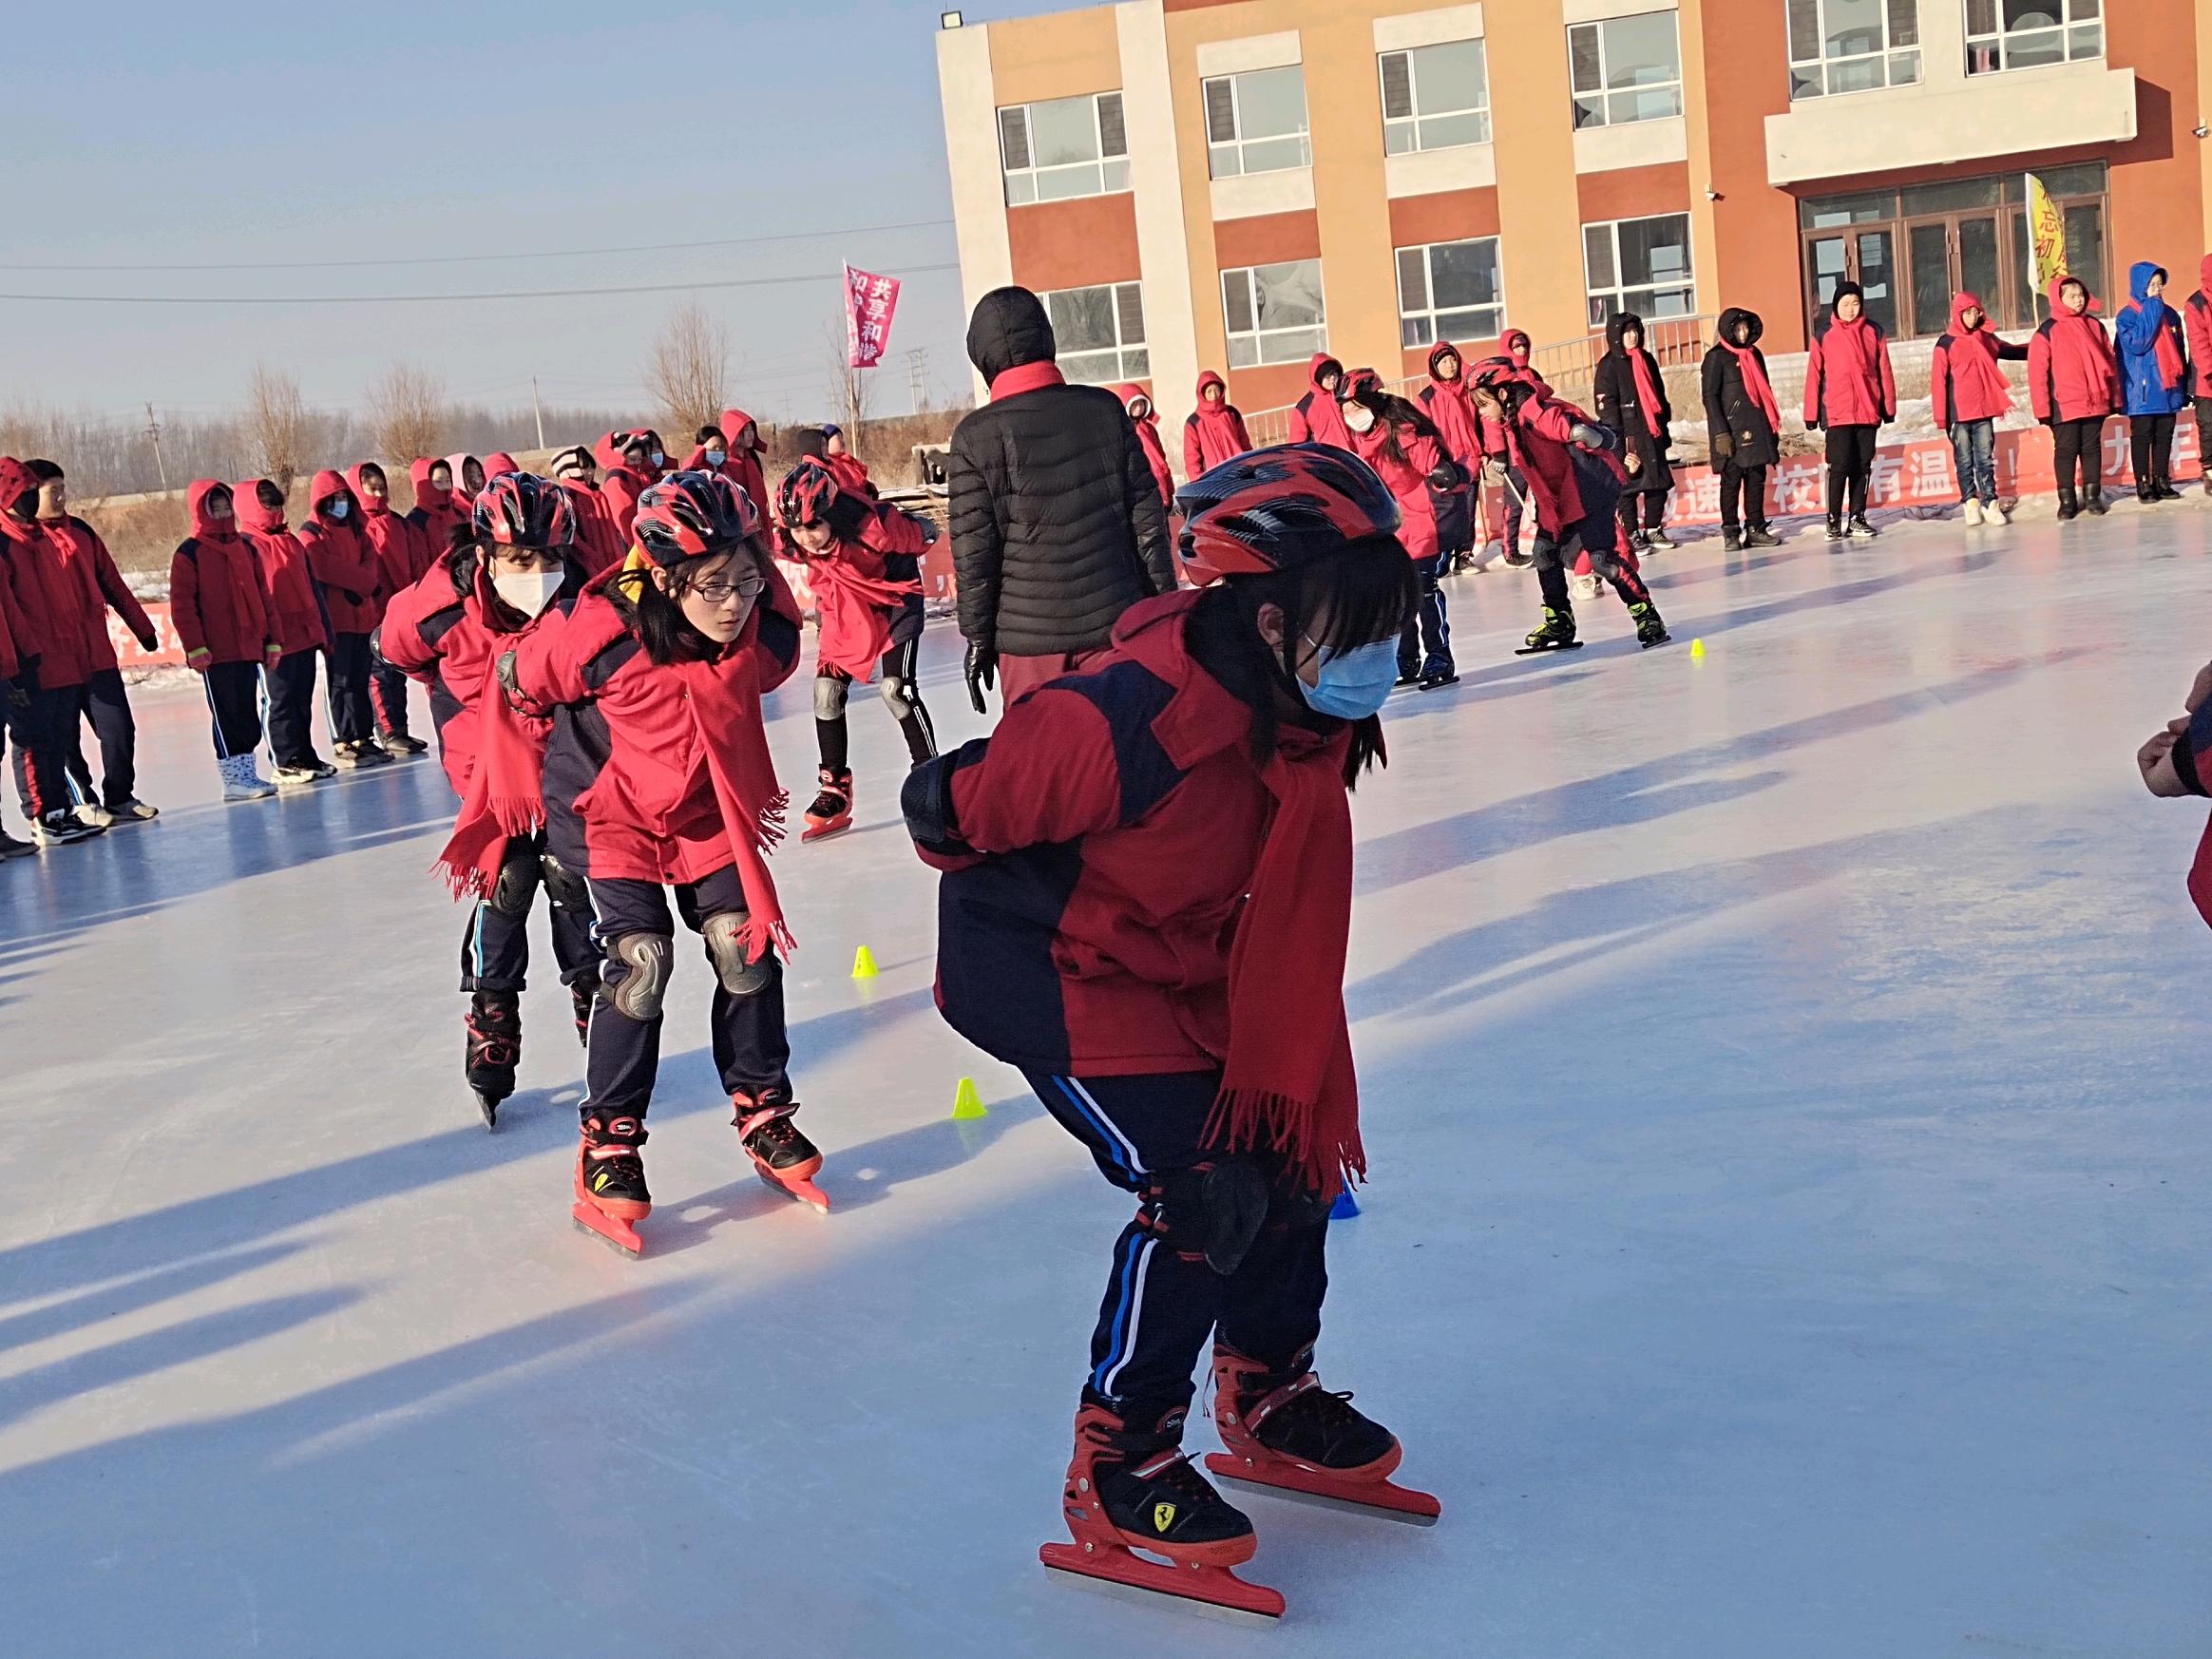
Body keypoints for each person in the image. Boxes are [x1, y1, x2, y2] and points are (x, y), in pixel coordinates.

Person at [901, 445, 1437, 1617]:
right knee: (1204, 1192)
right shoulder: (1118, 722)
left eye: (1386, 624)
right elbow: (961, 817)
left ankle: (1267, 1389)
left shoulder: (1300, 710)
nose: (1378, 658)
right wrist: (940, 796)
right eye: (1351, 627)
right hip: (1056, 974)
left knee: (1288, 1157)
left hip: (1194, 967)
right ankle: (1119, 1459)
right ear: (1258, 616)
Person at [500, 471, 821, 1252]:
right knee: (641, 962)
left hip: (707, 813)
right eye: (713, 587)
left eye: (746, 580)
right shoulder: (595, 632)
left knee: (742, 944)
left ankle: (764, 1109)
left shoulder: (764, 634)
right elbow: (516, 680)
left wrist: (751, 566)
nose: (735, 603)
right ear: (666, 580)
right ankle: (608, 1145)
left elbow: (775, 611)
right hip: (617, 818)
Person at [378, 473, 600, 1127]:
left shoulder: (578, 602)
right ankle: (492, 1010)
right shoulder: (441, 604)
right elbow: (398, 650)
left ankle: (595, 992)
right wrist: (458, 707)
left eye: (550, 560)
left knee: (570, 873)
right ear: (486, 554)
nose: (536, 574)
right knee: (505, 875)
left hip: (564, 754)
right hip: (485, 765)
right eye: (520, 561)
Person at [946, 286, 1175, 711]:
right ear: (1046, 337)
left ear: (981, 355)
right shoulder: (1107, 411)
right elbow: (1148, 528)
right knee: (1127, 758)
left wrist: (978, 638)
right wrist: (1162, 609)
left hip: (1030, 650)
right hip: (1116, 627)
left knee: (1047, 769)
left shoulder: (973, 438)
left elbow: (974, 557)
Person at [775, 458, 935, 842]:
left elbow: (925, 533)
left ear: (832, 513)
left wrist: (911, 529)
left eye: (813, 526)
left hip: (894, 604)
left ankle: (930, 772)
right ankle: (834, 788)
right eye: (797, 529)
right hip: (842, 609)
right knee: (826, 692)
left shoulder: (873, 527)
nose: (806, 537)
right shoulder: (792, 543)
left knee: (896, 690)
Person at [1471, 362, 1670, 652]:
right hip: (1557, 500)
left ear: (1502, 395)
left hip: (1587, 492)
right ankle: (1560, 621)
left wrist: (1582, 433)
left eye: (1483, 404)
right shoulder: (1512, 421)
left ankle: (1646, 615)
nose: (1481, 412)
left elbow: (1559, 422)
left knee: (1603, 559)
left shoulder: (1532, 411)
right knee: (1544, 554)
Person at [23, 460, 160, 824]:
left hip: (96, 653)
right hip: (55, 660)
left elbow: (112, 582)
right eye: (53, 491)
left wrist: (142, 628)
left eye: (63, 488)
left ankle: (120, 795)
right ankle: (83, 800)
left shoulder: (81, 531)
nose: (62, 496)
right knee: (64, 738)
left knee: (118, 728)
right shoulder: (24, 540)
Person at [0, 458, 101, 845]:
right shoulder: (6, 543)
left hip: (57, 656)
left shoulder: (41, 539)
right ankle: (41, 814)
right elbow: (11, 610)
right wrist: (21, 658)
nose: (29, 500)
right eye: (23, 494)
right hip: (24, 661)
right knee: (31, 739)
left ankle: (59, 810)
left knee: (58, 736)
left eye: (32, 492)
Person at [1340, 369, 1459, 689]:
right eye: (1346, 411)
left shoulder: (1403, 431)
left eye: (1355, 408)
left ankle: (1439, 656)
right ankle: (1407, 659)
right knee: (1397, 594)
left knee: (1423, 587)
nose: (1351, 417)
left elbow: (1428, 455)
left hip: (1426, 519)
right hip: (1395, 525)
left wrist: (1439, 469)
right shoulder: (1365, 439)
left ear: (1371, 403)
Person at [169, 480, 282, 802]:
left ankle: (247, 772)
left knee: (247, 713)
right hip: (216, 652)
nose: (221, 513)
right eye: (213, 508)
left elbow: (263, 596)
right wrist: (196, 647)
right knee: (226, 714)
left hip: (248, 646)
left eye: (224, 507)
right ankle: (232, 777)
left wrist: (272, 639)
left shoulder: (244, 547)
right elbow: (183, 605)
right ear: (200, 511)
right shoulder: (190, 553)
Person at [236, 476, 336, 786]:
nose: (274, 508)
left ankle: (304, 753)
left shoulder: (291, 541)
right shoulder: (247, 545)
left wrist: (323, 630)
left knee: (301, 698)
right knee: (280, 701)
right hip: (275, 638)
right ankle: (284, 759)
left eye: (276, 502)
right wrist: (262, 637)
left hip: (303, 633)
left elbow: (312, 588)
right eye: (267, 503)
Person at [296, 468, 390, 767]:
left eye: (342, 497)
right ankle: (343, 739)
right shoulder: (311, 532)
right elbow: (322, 565)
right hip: (335, 618)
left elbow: (370, 558)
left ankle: (364, 736)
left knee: (360, 678)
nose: (339, 503)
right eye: (333, 498)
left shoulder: (357, 528)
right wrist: (359, 583)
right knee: (341, 680)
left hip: (361, 614)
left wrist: (365, 585)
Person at [1802, 280, 1897, 543]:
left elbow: (1884, 371)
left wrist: (1888, 407)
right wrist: (1811, 413)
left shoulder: (1874, 331)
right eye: (1845, 304)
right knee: (1840, 465)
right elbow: (1814, 376)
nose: (1850, 309)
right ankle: (1833, 519)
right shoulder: (1824, 334)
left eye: (1855, 303)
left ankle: (1857, 516)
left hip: (1867, 410)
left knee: (1863, 466)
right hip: (1837, 413)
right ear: (1835, 306)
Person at [351, 462, 433, 755]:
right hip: (374, 611)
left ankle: (400, 728)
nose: (378, 494)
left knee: (397, 672)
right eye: (371, 489)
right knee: (381, 673)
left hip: (400, 609)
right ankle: (387, 730)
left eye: (381, 488)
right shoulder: (357, 526)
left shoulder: (398, 523)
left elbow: (417, 562)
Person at [1930, 293, 2029, 526]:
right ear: (1958, 314)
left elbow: (2011, 351)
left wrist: (2043, 347)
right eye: (1967, 313)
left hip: (1983, 410)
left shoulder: (1986, 339)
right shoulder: (1946, 344)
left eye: (1976, 312)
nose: (1973, 317)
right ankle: (1970, 502)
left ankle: (1990, 502)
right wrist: (1942, 418)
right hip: (1958, 414)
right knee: (1964, 460)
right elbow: (1938, 383)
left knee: (1984, 459)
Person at [2029, 274, 2122, 521]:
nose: (2078, 300)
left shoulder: (2094, 325)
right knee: (2066, 450)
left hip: (2096, 399)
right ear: (2058, 299)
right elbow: (2037, 374)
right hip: (2064, 403)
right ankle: (2067, 500)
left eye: (2080, 295)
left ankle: (2092, 495)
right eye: (2072, 296)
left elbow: (2110, 361)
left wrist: (2115, 396)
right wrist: (2042, 409)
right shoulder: (2047, 331)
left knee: (2091, 448)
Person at [1701, 309, 1784, 553]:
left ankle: (1756, 528)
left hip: (1756, 425)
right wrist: (1720, 433)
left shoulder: (1754, 354)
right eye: (1737, 329)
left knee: (1756, 479)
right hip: (1731, 431)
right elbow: (1710, 397)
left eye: (1746, 328)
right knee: (1731, 481)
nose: (1743, 332)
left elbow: (1764, 391)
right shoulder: (1716, 358)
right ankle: (1730, 531)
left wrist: (1770, 427)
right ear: (1727, 331)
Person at [1593, 313, 1677, 553]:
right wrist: (1617, 447)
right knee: (1628, 487)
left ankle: (1653, 529)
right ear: (1616, 336)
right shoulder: (1608, 366)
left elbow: (1659, 396)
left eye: (1635, 331)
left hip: (1652, 431)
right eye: (1627, 332)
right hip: (1627, 436)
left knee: (1657, 483)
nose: (1633, 336)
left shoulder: (1647, 359)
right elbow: (1606, 408)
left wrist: (1664, 428)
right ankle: (1631, 534)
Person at [2115, 261, 2191, 505]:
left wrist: (2183, 385)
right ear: (2140, 286)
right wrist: (2151, 307)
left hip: (2168, 387)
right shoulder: (2127, 316)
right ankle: (2144, 482)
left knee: (2165, 434)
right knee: (2143, 436)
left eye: (2160, 285)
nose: (2157, 289)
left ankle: (2162, 479)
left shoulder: (2169, 314)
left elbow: (2180, 350)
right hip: (2143, 389)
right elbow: (2139, 343)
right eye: (2152, 285)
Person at [1418, 343, 1491, 574]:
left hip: (1469, 460)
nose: (1449, 366)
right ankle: (1443, 558)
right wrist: (1433, 462)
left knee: (1468, 510)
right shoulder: (1426, 398)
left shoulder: (1470, 390)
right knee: (1446, 513)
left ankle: (1464, 556)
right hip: (1443, 465)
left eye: (1452, 360)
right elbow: (1422, 434)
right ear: (1434, 367)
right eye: (1443, 362)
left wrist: (1486, 450)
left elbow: (1483, 422)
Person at [547, 447, 623, 575]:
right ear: (568, 470)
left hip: (612, 561)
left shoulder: (597, 495)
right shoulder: (568, 498)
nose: (589, 472)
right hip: (588, 568)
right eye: (583, 468)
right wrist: (593, 561)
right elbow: (573, 540)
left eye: (590, 467)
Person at [1118, 385, 1175, 513]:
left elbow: (1162, 458)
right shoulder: (1125, 431)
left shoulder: (1150, 429)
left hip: (1161, 483)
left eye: (1141, 404)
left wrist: (1170, 489)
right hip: (1144, 490)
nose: (1138, 408)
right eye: (1134, 404)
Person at [2183, 257, 2212, 499]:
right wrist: (2210, 372)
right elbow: (2199, 342)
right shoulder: (2196, 303)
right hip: (2208, 380)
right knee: (2210, 428)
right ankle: (2211, 473)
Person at [1184, 372, 1251, 478]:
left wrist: (1251, 464)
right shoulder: (1194, 422)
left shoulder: (1232, 413)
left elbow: (1245, 444)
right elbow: (1192, 459)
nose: (1214, 395)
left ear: (1222, 391)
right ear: (1202, 394)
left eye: (1217, 390)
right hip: (1214, 478)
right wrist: (1198, 483)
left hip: (1240, 470)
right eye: (1209, 391)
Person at [595, 430, 657, 543]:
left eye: (639, 459)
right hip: (636, 540)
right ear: (620, 456)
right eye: (632, 459)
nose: (636, 463)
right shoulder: (617, 479)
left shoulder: (637, 476)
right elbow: (625, 519)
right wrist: (638, 545)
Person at [1287, 353, 1351, 449]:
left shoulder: (1346, 396)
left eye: (1335, 374)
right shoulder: (1304, 407)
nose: (1333, 378)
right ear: (1318, 377)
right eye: (1328, 375)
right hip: (1327, 460)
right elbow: (1297, 446)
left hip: (1353, 457)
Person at [407, 457, 467, 555]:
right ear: (425, 484)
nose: (445, 486)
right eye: (438, 482)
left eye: (448, 480)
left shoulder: (458, 513)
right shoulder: (416, 522)